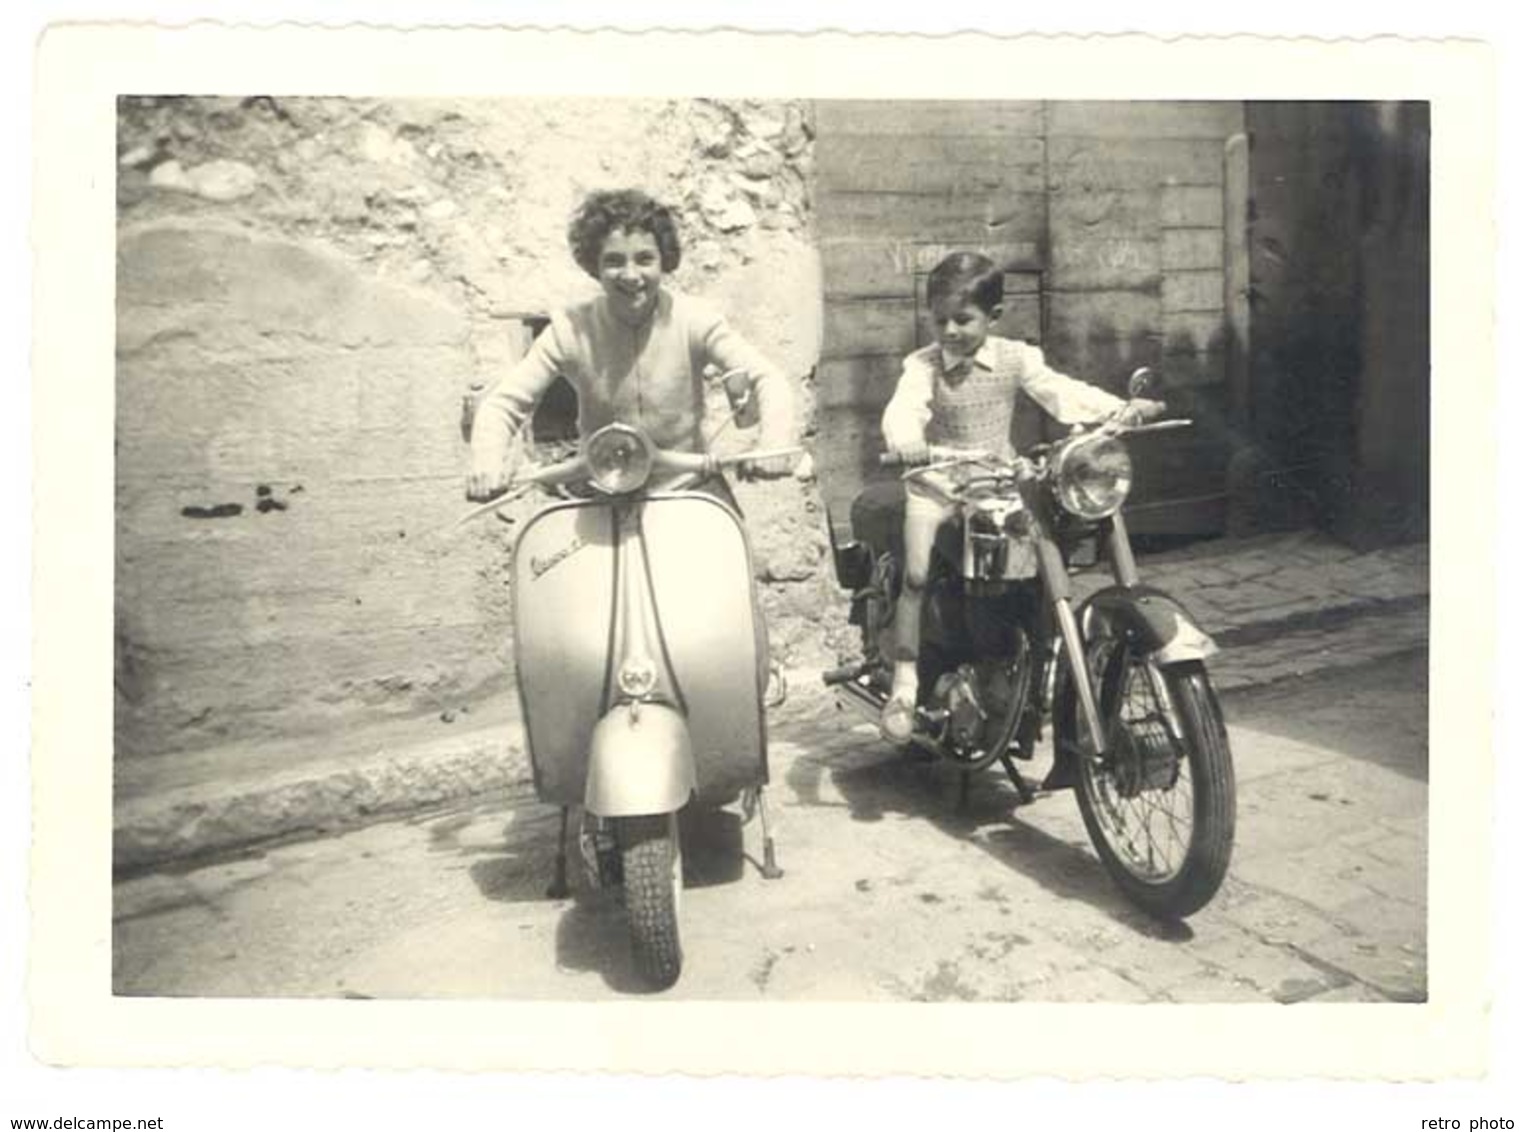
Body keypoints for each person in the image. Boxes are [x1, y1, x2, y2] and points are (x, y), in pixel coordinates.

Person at [878, 251, 1164, 741]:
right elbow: (905, 406)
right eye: (940, 319)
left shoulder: (1016, 358)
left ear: (994, 316)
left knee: (1038, 551)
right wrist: (905, 438)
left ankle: (1029, 660)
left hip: (997, 480)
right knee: (918, 572)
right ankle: (904, 683)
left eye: (962, 320)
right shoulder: (923, 365)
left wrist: (1123, 409)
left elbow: (1060, 392)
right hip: (938, 480)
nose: (949, 330)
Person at [467, 188, 796, 502]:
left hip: (688, 488)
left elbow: (767, 378)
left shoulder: (695, 320)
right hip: (602, 492)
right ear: (593, 266)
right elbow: (503, 404)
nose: (630, 275)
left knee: (729, 557)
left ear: (663, 261)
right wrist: (487, 460)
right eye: (613, 261)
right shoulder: (569, 329)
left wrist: (774, 443)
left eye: (644, 259)